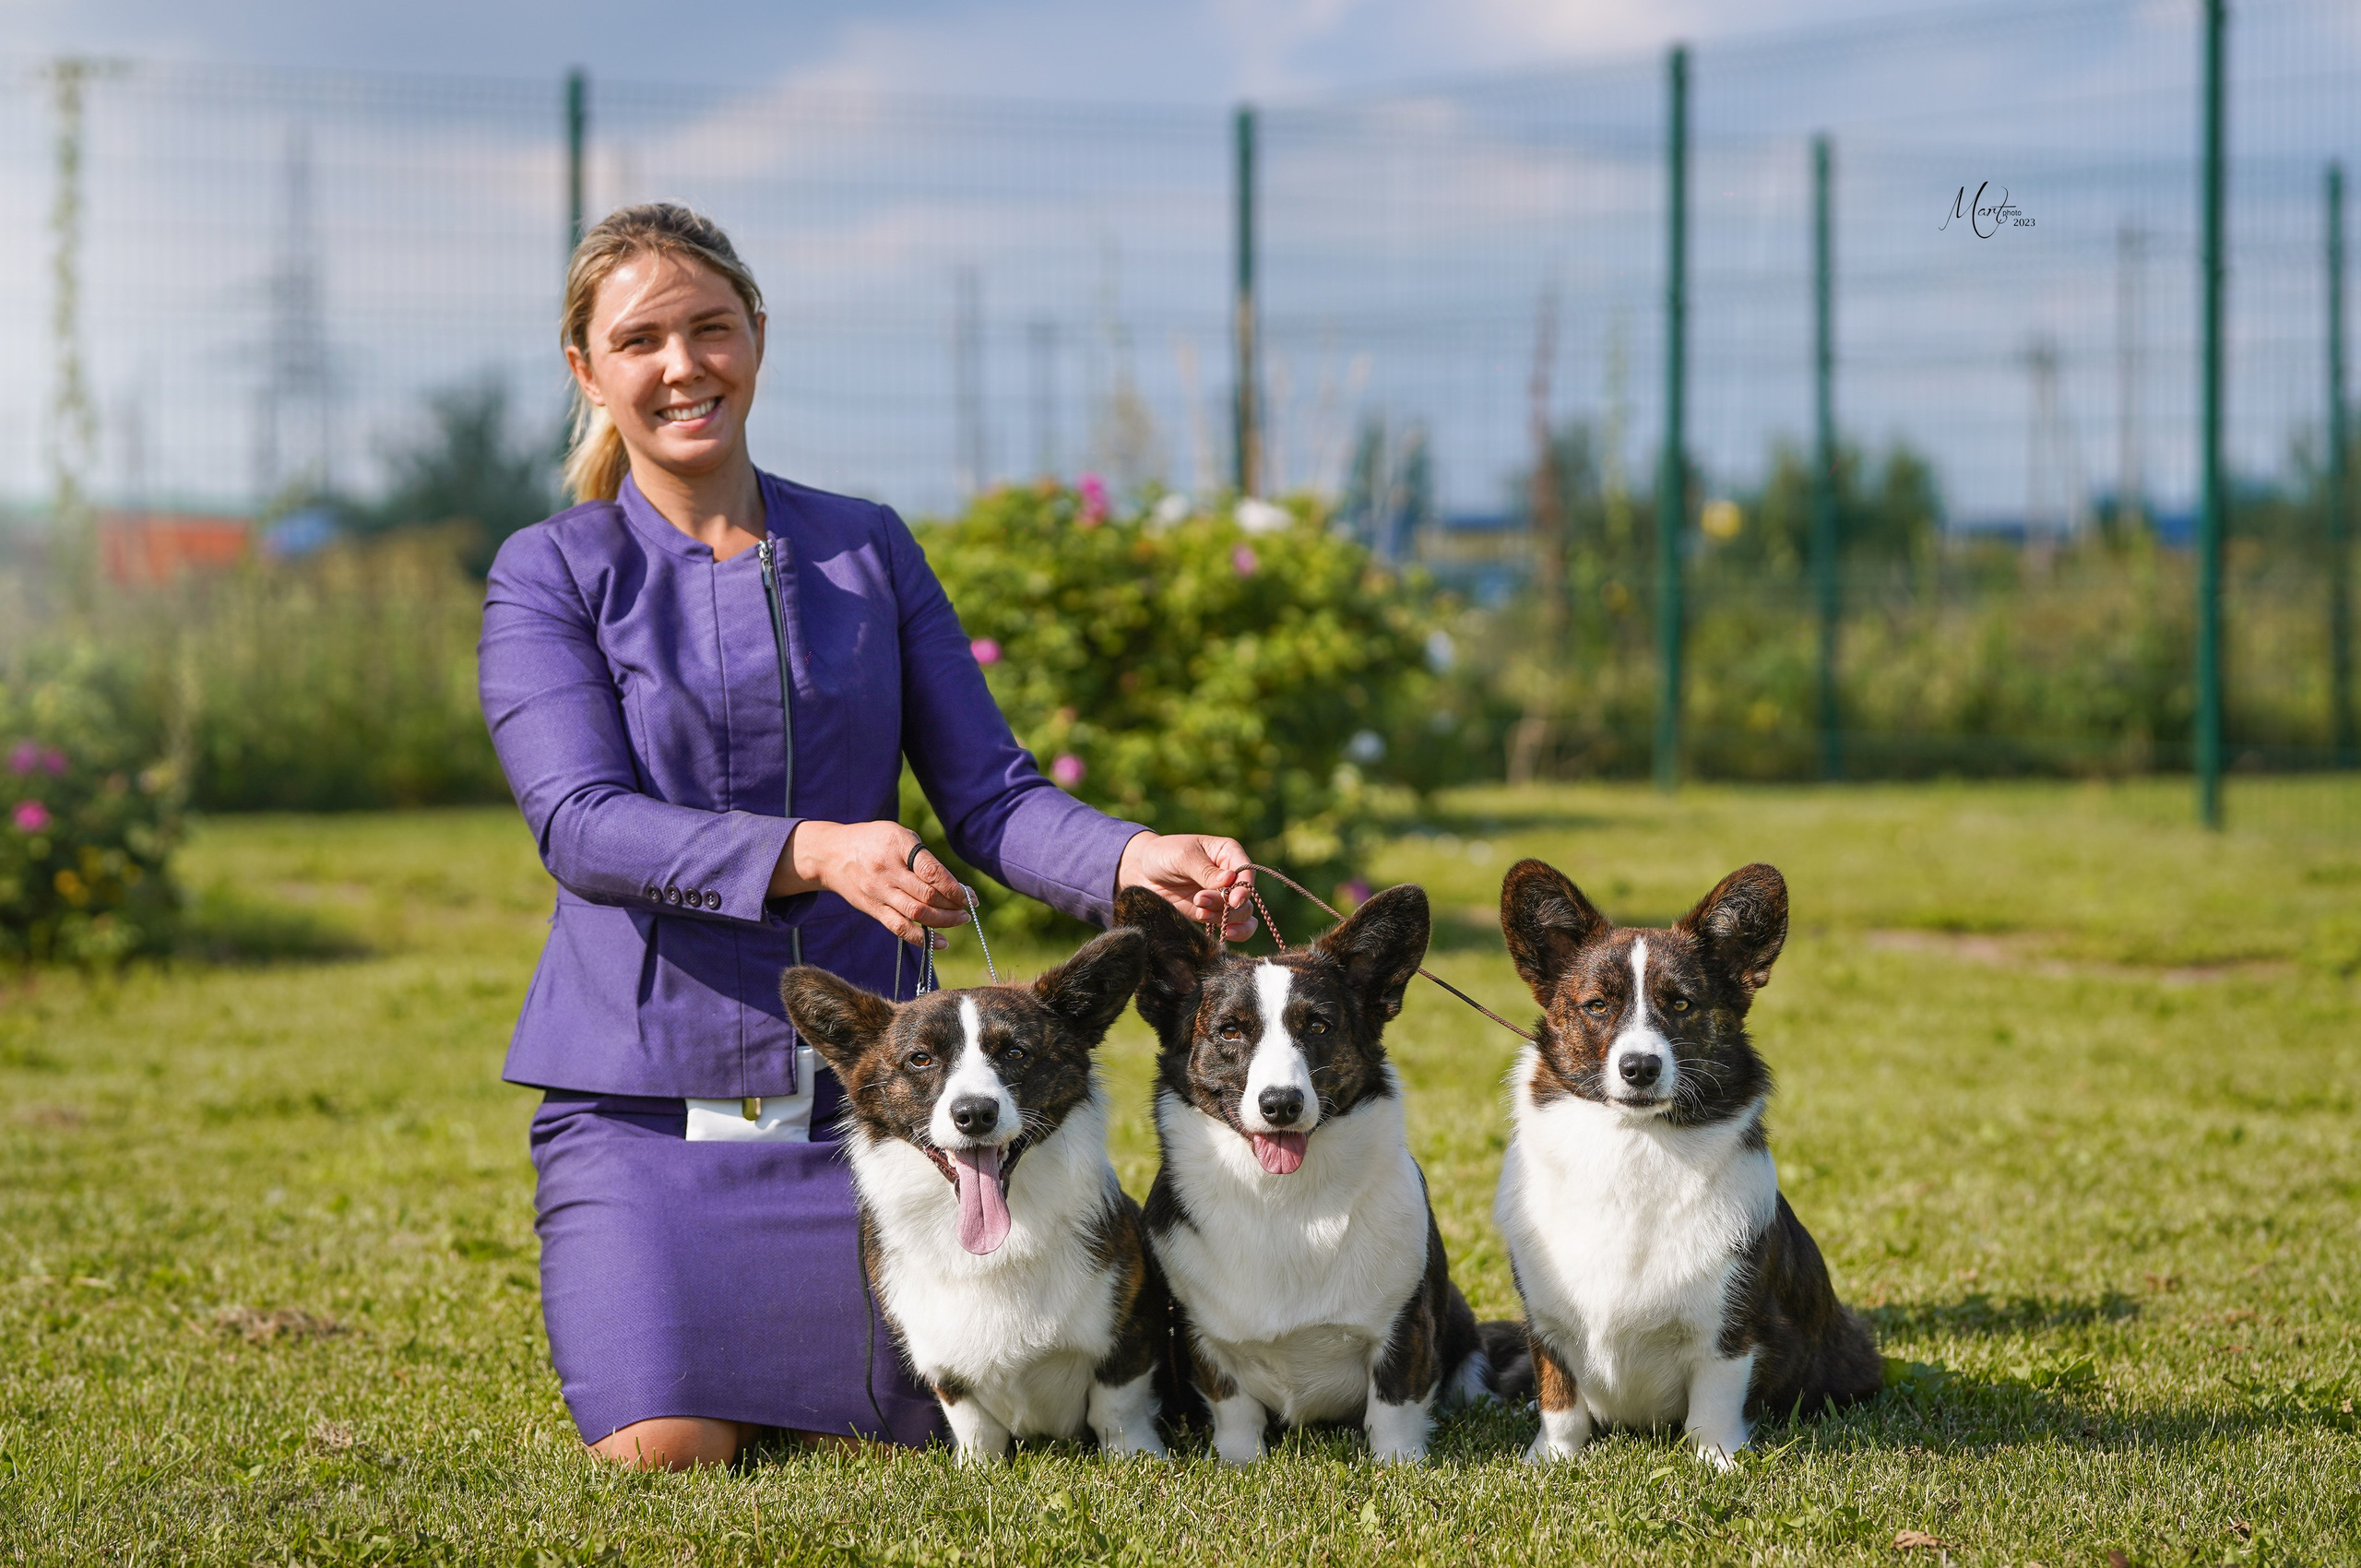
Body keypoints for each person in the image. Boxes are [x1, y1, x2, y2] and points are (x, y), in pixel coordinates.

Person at [478, 202, 1254, 1470]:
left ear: (759, 339)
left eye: (712, 329)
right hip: (644, 1114)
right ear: (589, 370)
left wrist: (1128, 858)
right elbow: (579, 823)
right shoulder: (548, 572)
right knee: (666, 1451)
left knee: (933, 1436)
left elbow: (993, 796)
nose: (684, 366)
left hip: (895, 1122)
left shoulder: (867, 547)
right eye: (643, 341)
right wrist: (817, 851)